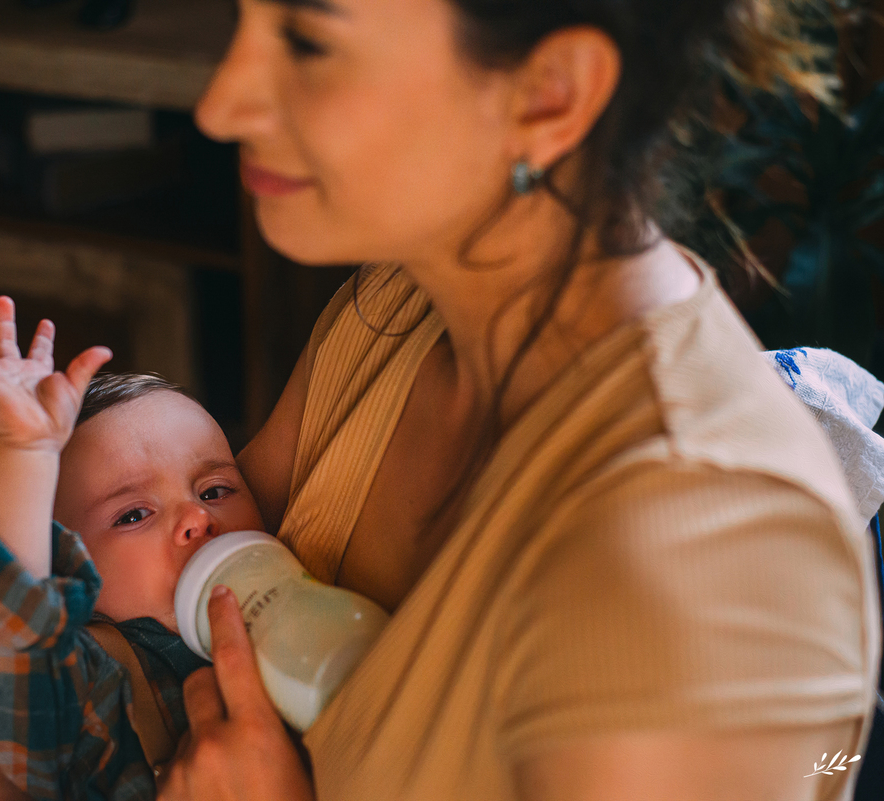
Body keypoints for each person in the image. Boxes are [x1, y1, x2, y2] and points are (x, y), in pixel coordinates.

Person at [149, 1, 881, 800]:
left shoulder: (690, 555)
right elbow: (177, 606)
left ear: (550, 94)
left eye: (308, 41)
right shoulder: (401, 305)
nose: (220, 104)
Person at [0, 300, 264, 800]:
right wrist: (23, 453)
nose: (197, 518)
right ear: (70, 578)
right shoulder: (94, 685)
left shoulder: (301, 569)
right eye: (133, 515)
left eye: (214, 491)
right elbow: (10, 640)